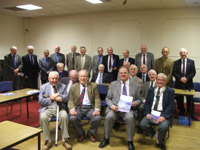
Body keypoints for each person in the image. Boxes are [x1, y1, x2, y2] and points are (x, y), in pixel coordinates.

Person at [99, 66, 141, 150]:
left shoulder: (135, 85)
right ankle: (106, 139)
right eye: (121, 73)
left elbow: (139, 99)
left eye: (125, 73)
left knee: (130, 117)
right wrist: (112, 106)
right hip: (115, 108)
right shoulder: (114, 84)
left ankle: (130, 141)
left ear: (128, 74)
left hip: (128, 110)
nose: (123, 74)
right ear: (118, 74)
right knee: (108, 117)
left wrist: (135, 103)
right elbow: (108, 98)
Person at [140, 73, 175, 150]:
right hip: (152, 113)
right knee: (143, 124)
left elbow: (171, 106)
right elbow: (147, 104)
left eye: (162, 80)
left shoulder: (170, 91)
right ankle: (156, 135)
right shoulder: (151, 90)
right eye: (158, 79)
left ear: (165, 81)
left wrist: (164, 116)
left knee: (163, 126)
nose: (160, 81)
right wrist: (147, 113)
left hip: (163, 113)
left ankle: (160, 141)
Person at [39, 71, 71, 150]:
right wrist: (51, 98)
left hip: (59, 108)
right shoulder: (43, 87)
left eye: (56, 78)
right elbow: (41, 101)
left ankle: (65, 140)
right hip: (48, 108)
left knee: (64, 116)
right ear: (49, 79)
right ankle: (47, 141)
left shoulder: (62, 86)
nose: (54, 80)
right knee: (43, 117)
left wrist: (60, 96)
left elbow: (67, 98)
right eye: (52, 78)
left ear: (58, 79)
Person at [68, 70, 101, 142]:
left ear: (88, 77)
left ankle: (91, 133)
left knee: (98, 118)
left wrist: (97, 109)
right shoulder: (73, 87)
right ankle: (81, 133)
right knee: (73, 118)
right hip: (78, 108)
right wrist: (72, 109)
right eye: (81, 76)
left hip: (90, 108)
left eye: (85, 76)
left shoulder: (93, 86)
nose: (83, 78)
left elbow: (97, 98)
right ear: (78, 78)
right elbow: (70, 100)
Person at [172, 48, 198, 121]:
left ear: (187, 53)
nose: (183, 54)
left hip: (188, 84)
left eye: (184, 52)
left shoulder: (191, 62)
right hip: (179, 84)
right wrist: (180, 78)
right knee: (179, 100)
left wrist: (187, 78)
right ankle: (181, 111)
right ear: (180, 54)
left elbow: (193, 72)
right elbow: (174, 72)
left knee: (190, 99)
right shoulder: (176, 62)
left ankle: (191, 113)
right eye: (181, 53)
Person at [137, 69, 157, 134]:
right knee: (140, 108)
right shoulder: (145, 84)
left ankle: (149, 128)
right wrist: (144, 100)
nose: (151, 76)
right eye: (150, 75)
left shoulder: (158, 84)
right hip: (146, 102)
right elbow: (141, 95)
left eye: (153, 74)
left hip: (155, 103)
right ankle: (140, 126)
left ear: (156, 76)